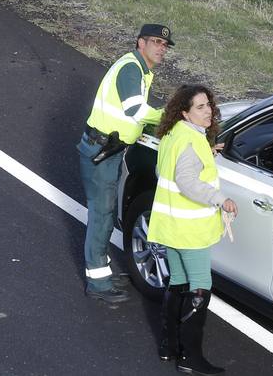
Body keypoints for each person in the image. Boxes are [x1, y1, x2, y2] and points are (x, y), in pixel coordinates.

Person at [77, 24, 172, 304]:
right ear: (140, 42)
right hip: (102, 149)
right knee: (102, 214)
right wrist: (168, 116)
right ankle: (98, 282)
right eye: (155, 42)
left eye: (164, 45)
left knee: (105, 213)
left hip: (109, 148)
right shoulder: (132, 68)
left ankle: (101, 270)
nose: (161, 48)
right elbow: (135, 110)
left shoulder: (140, 69)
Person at [148, 84, 236, 375]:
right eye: (200, 107)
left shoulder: (175, 134)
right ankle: (190, 358)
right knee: (199, 286)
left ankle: (168, 346)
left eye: (208, 105)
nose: (208, 111)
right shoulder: (191, 141)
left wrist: (205, 153)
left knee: (179, 281)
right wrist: (220, 199)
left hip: (170, 225)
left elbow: (165, 171)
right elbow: (186, 180)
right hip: (190, 230)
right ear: (185, 112)